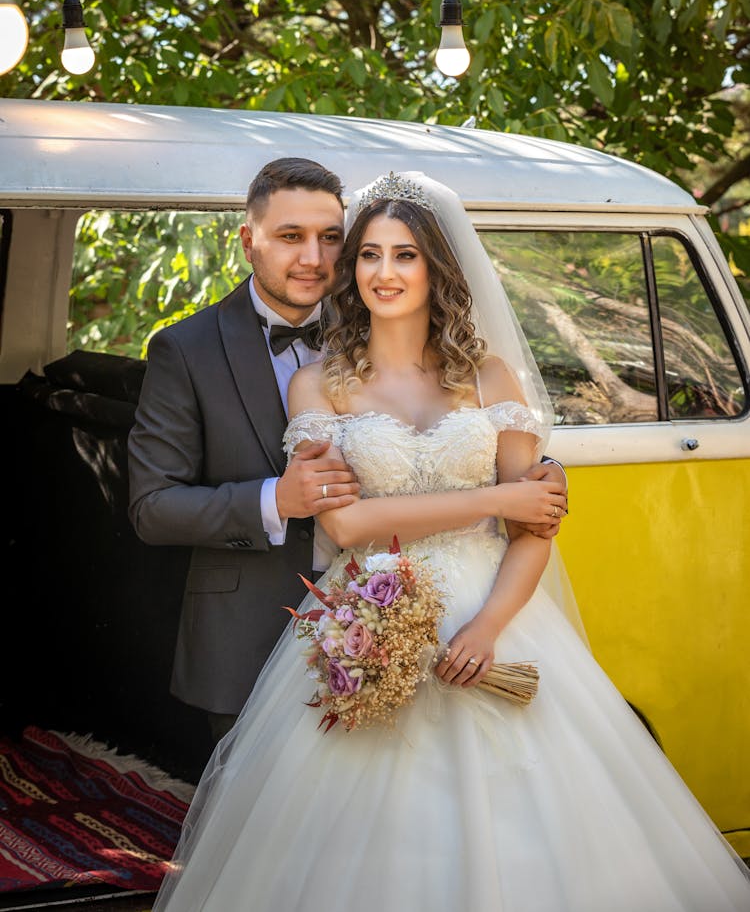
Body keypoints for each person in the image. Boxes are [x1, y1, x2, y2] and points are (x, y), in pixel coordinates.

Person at [149, 171, 750, 912]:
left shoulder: (489, 376)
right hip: (367, 608)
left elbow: (536, 529)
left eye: (405, 255)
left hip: (492, 617)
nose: (383, 272)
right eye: (369, 254)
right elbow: (345, 526)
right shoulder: (322, 385)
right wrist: (498, 497)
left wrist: (489, 626)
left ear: (437, 266)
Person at [128, 156, 567, 745]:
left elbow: (508, 477)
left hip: (460, 608)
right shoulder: (188, 349)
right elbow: (152, 507)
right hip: (267, 632)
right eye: (290, 237)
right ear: (247, 240)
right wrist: (275, 499)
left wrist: (538, 480)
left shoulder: (382, 298)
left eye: (331, 238)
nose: (313, 258)